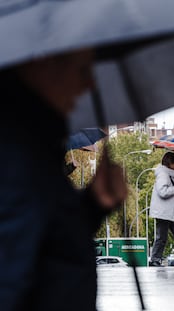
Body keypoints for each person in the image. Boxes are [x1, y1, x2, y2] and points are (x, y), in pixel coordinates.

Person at [0, 49, 128, 310]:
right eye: (82, 70)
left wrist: (94, 205)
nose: (89, 84)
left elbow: (44, 246)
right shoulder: (14, 152)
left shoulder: (35, 141)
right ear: (43, 60)